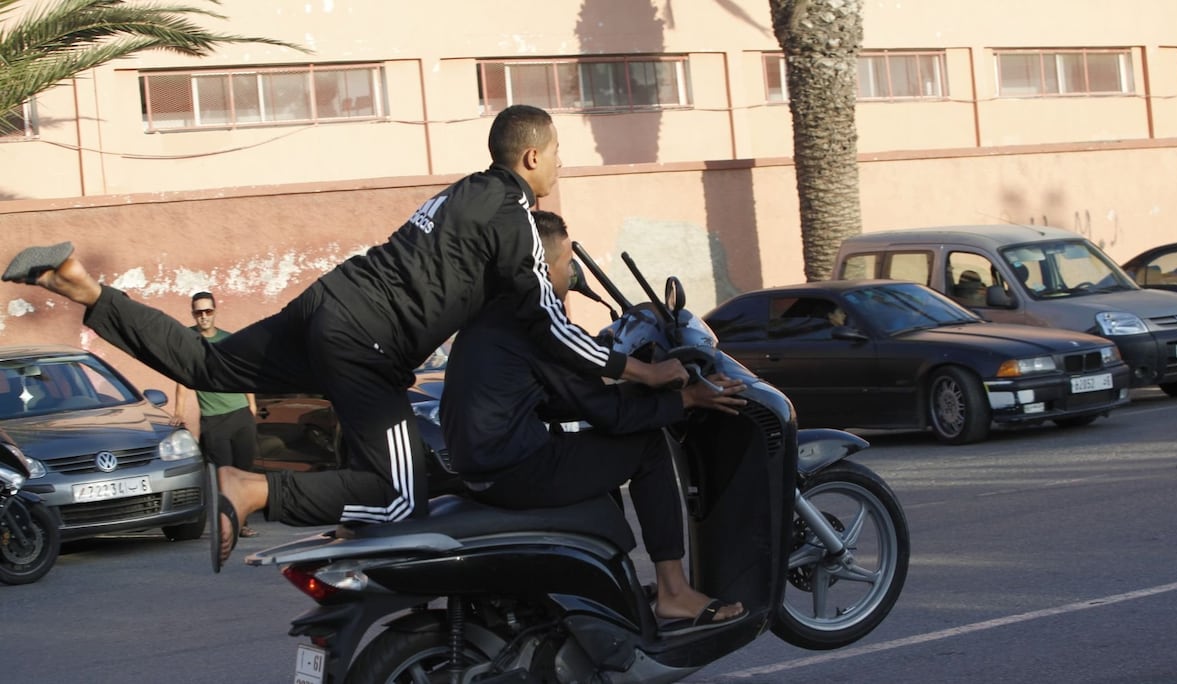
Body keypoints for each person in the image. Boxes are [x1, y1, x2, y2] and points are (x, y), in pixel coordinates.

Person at [1, 104, 688, 571]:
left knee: (208, 366)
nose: (561, 167)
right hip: (366, 346)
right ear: (533, 155)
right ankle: (251, 490)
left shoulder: (461, 193)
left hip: (330, 302)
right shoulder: (514, 217)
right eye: (559, 156)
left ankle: (85, 288)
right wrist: (641, 371)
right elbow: (547, 318)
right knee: (403, 492)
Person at [441, 210, 748, 631]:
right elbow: (609, 413)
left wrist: (633, 391)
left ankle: (613, 585)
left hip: (485, 466)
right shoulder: (534, 321)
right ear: (544, 266)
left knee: (600, 447)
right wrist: (688, 398)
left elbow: (556, 398)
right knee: (647, 447)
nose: (574, 271)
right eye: (568, 262)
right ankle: (675, 592)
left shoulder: (495, 315)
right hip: (516, 469)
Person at [171, 291, 260, 539]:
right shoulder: (189, 341)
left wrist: (251, 404)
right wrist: (178, 412)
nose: (204, 317)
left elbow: (242, 373)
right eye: (198, 312)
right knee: (223, 474)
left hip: (240, 414)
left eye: (208, 311)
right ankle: (227, 524)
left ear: (214, 312)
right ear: (192, 314)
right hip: (214, 419)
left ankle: (241, 523)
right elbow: (183, 379)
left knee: (244, 471)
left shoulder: (228, 340)